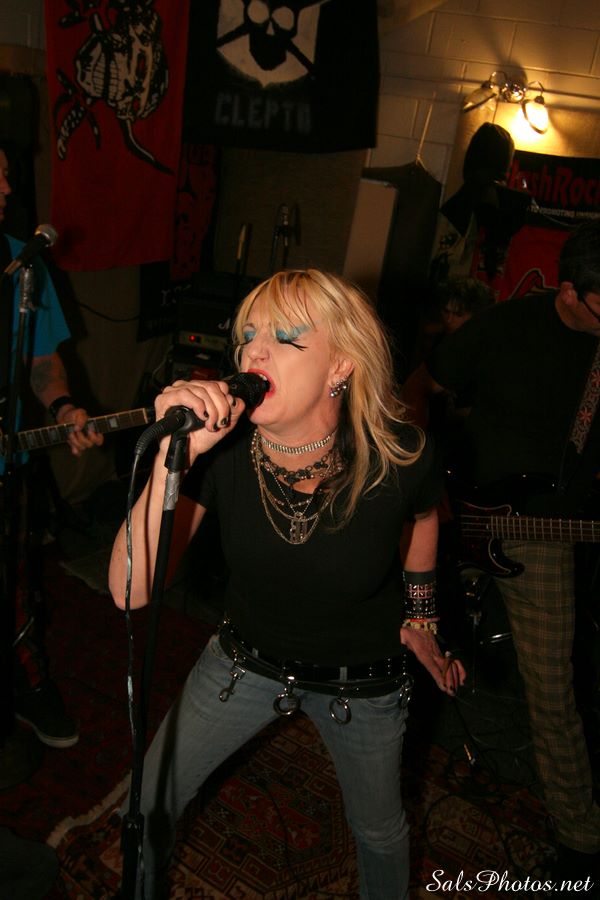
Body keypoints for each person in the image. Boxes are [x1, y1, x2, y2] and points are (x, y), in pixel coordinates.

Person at [108, 268, 466, 899]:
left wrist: (421, 615)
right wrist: (174, 458)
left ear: (341, 365)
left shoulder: (402, 454)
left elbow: (424, 518)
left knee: (379, 832)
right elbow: (128, 591)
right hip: (243, 661)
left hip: (362, 680)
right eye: (248, 336)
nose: (255, 354)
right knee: (150, 800)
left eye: (287, 337)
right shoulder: (219, 453)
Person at [401, 220, 600, 886]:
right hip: (456, 513)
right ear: (570, 291)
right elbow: (419, 386)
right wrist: (421, 477)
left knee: (552, 692)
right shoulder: (506, 325)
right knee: (406, 642)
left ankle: (581, 843)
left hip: (544, 534)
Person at [0, 144, 103, 763]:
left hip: (7, 467)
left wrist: (63, 408)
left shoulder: (25, 265)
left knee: (14, 584)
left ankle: (26, 686)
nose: (7, 189)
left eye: (7, 176)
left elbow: (43, 361)